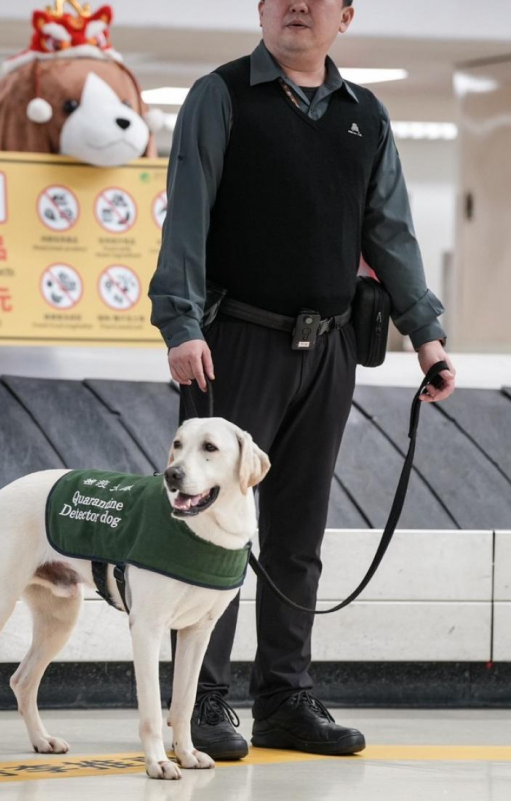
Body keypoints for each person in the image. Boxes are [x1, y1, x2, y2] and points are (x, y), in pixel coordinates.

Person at [148, 0, 457, 761]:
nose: (297, 6)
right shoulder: (221, 96)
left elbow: (390, 229)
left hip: (330, 350)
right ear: (260, 8)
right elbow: (186, 213)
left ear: (343, 16)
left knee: (298, 533)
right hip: (234, 343)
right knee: (208, 530)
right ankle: (203, 700)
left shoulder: (367, 116)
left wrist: (427, 336)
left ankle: (284, 697)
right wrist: (180, 324)